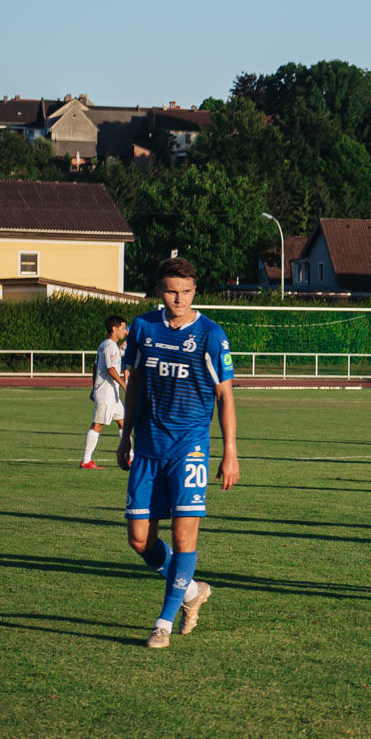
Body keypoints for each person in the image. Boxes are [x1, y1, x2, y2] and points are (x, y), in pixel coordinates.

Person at [116, 257, 239, 649]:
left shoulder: (211, 334)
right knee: (139, 539)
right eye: (172, 291)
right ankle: (191, 591)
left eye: (186, 291)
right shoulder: (143, 328)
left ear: (194, 291)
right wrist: (125, 436)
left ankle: (163, 624)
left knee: (184, 537)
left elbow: (225, 396)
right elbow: (134, 385)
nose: (179, 298)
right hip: (148, 448)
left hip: (190, 449)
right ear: (159, 291)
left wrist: (230, 452)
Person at [81, 314, 129, 469]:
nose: (125, 331)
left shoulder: (105, 345)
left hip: (111, 394)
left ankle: (130, 457)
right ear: (114, 329)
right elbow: (111, 369)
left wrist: (93, 387)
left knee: (123, 423)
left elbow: (96, 366)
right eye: (123, 328)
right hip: (106, 393)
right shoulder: (110, 346)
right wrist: (125, 386)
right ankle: (86, 460)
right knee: (98, 425)